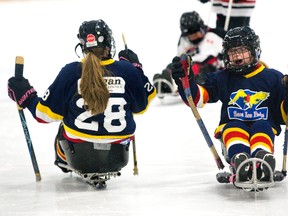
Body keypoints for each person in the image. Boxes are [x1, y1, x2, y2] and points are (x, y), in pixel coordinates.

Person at [7, 19, 156, 184]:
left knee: (63, 117)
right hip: (119, 155)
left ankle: (64, 158)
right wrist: (136, 68)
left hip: (80, 157)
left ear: (82, 46)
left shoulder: (71, 72)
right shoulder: (127, 70)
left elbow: (43, 115)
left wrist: (26, 96)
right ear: (108, 43)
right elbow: (141, 107)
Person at [170, 26, 286, 183]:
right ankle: (240, 160)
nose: (237, 55)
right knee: (233, 127)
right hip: (232, 132)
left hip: (263, 126)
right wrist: (186, 81)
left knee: (263, 126)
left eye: (242, 50)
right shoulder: (221, 78)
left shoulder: (273, 78)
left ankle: (263, 159)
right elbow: (197, 99)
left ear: (254, 51)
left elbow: (283, 116)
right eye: (232, 52)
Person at [153, 11, 225, 98]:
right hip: (191, 63)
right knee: (174, 66)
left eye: (195, 33)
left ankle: (179, 84)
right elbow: (180, 56)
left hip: (211, 68)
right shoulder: (184, 40)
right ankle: (165, 82)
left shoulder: (215, 35)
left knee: (197, 68)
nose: (193, 37)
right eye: (190, 35)